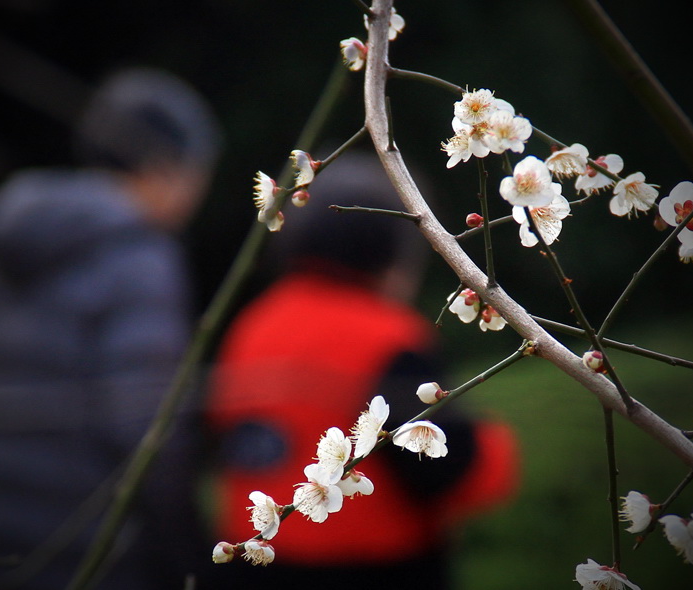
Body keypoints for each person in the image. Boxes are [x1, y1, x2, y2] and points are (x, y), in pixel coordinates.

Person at [200, 150, 519, 588]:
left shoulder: (253, 325)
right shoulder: (389, 337)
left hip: (253, 561)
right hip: (377, 567)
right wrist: (496, 448)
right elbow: (442, 470)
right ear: (395, 253)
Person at [0, 67, 222, 589]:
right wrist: (186, 552)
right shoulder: (141, 259)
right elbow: (146, 430)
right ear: (161, 168)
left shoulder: (0, 243)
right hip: (82, 545)